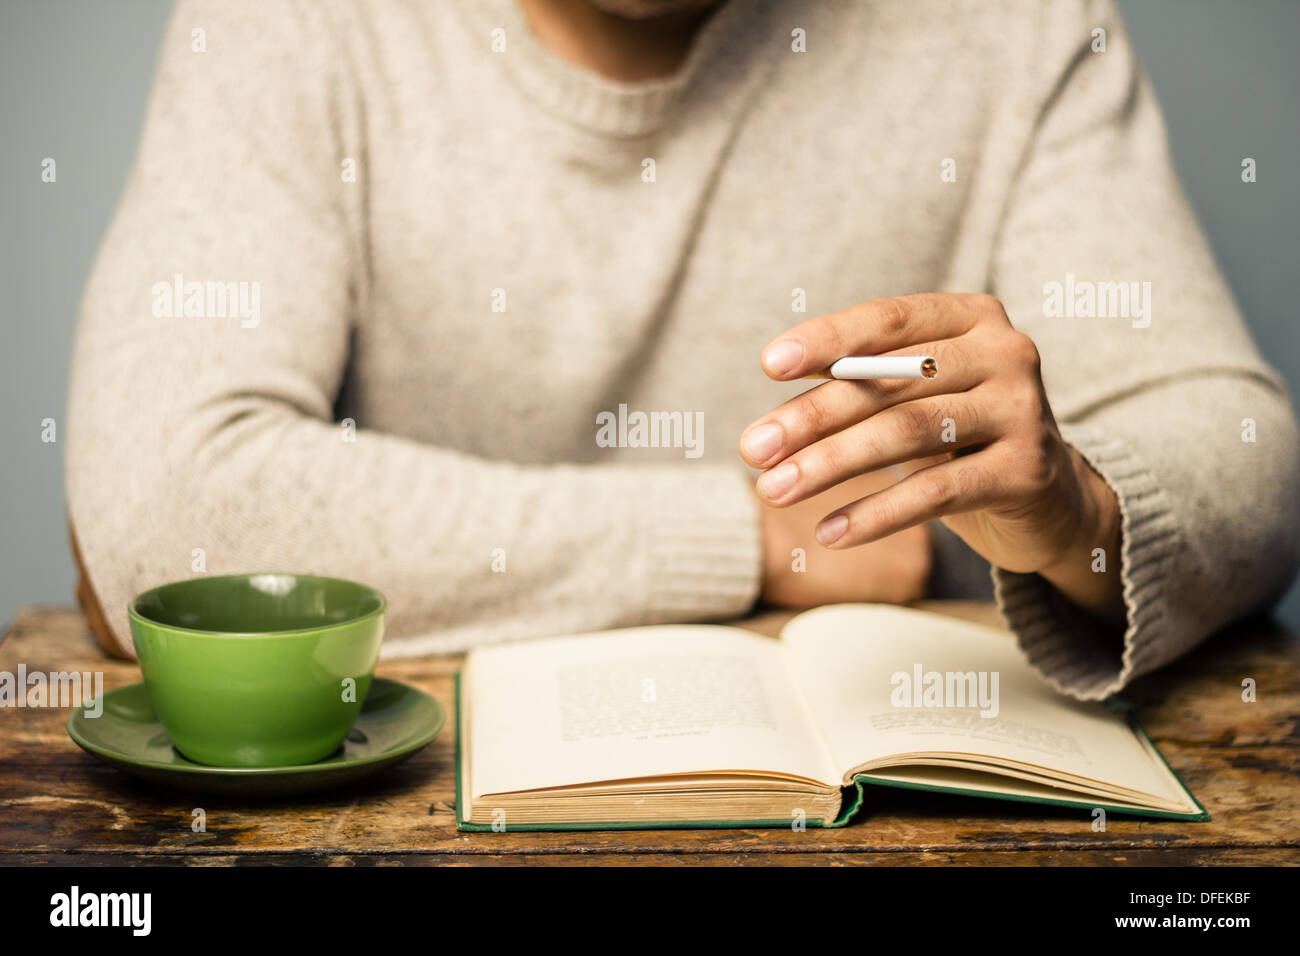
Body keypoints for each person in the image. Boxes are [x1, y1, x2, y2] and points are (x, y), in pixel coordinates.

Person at [67, 0, 1299, 700]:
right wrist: (752, 541)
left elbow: (1245, 453)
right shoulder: (290, 23)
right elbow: (169, 505)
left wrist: (1075, 508)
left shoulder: (1015, 26)